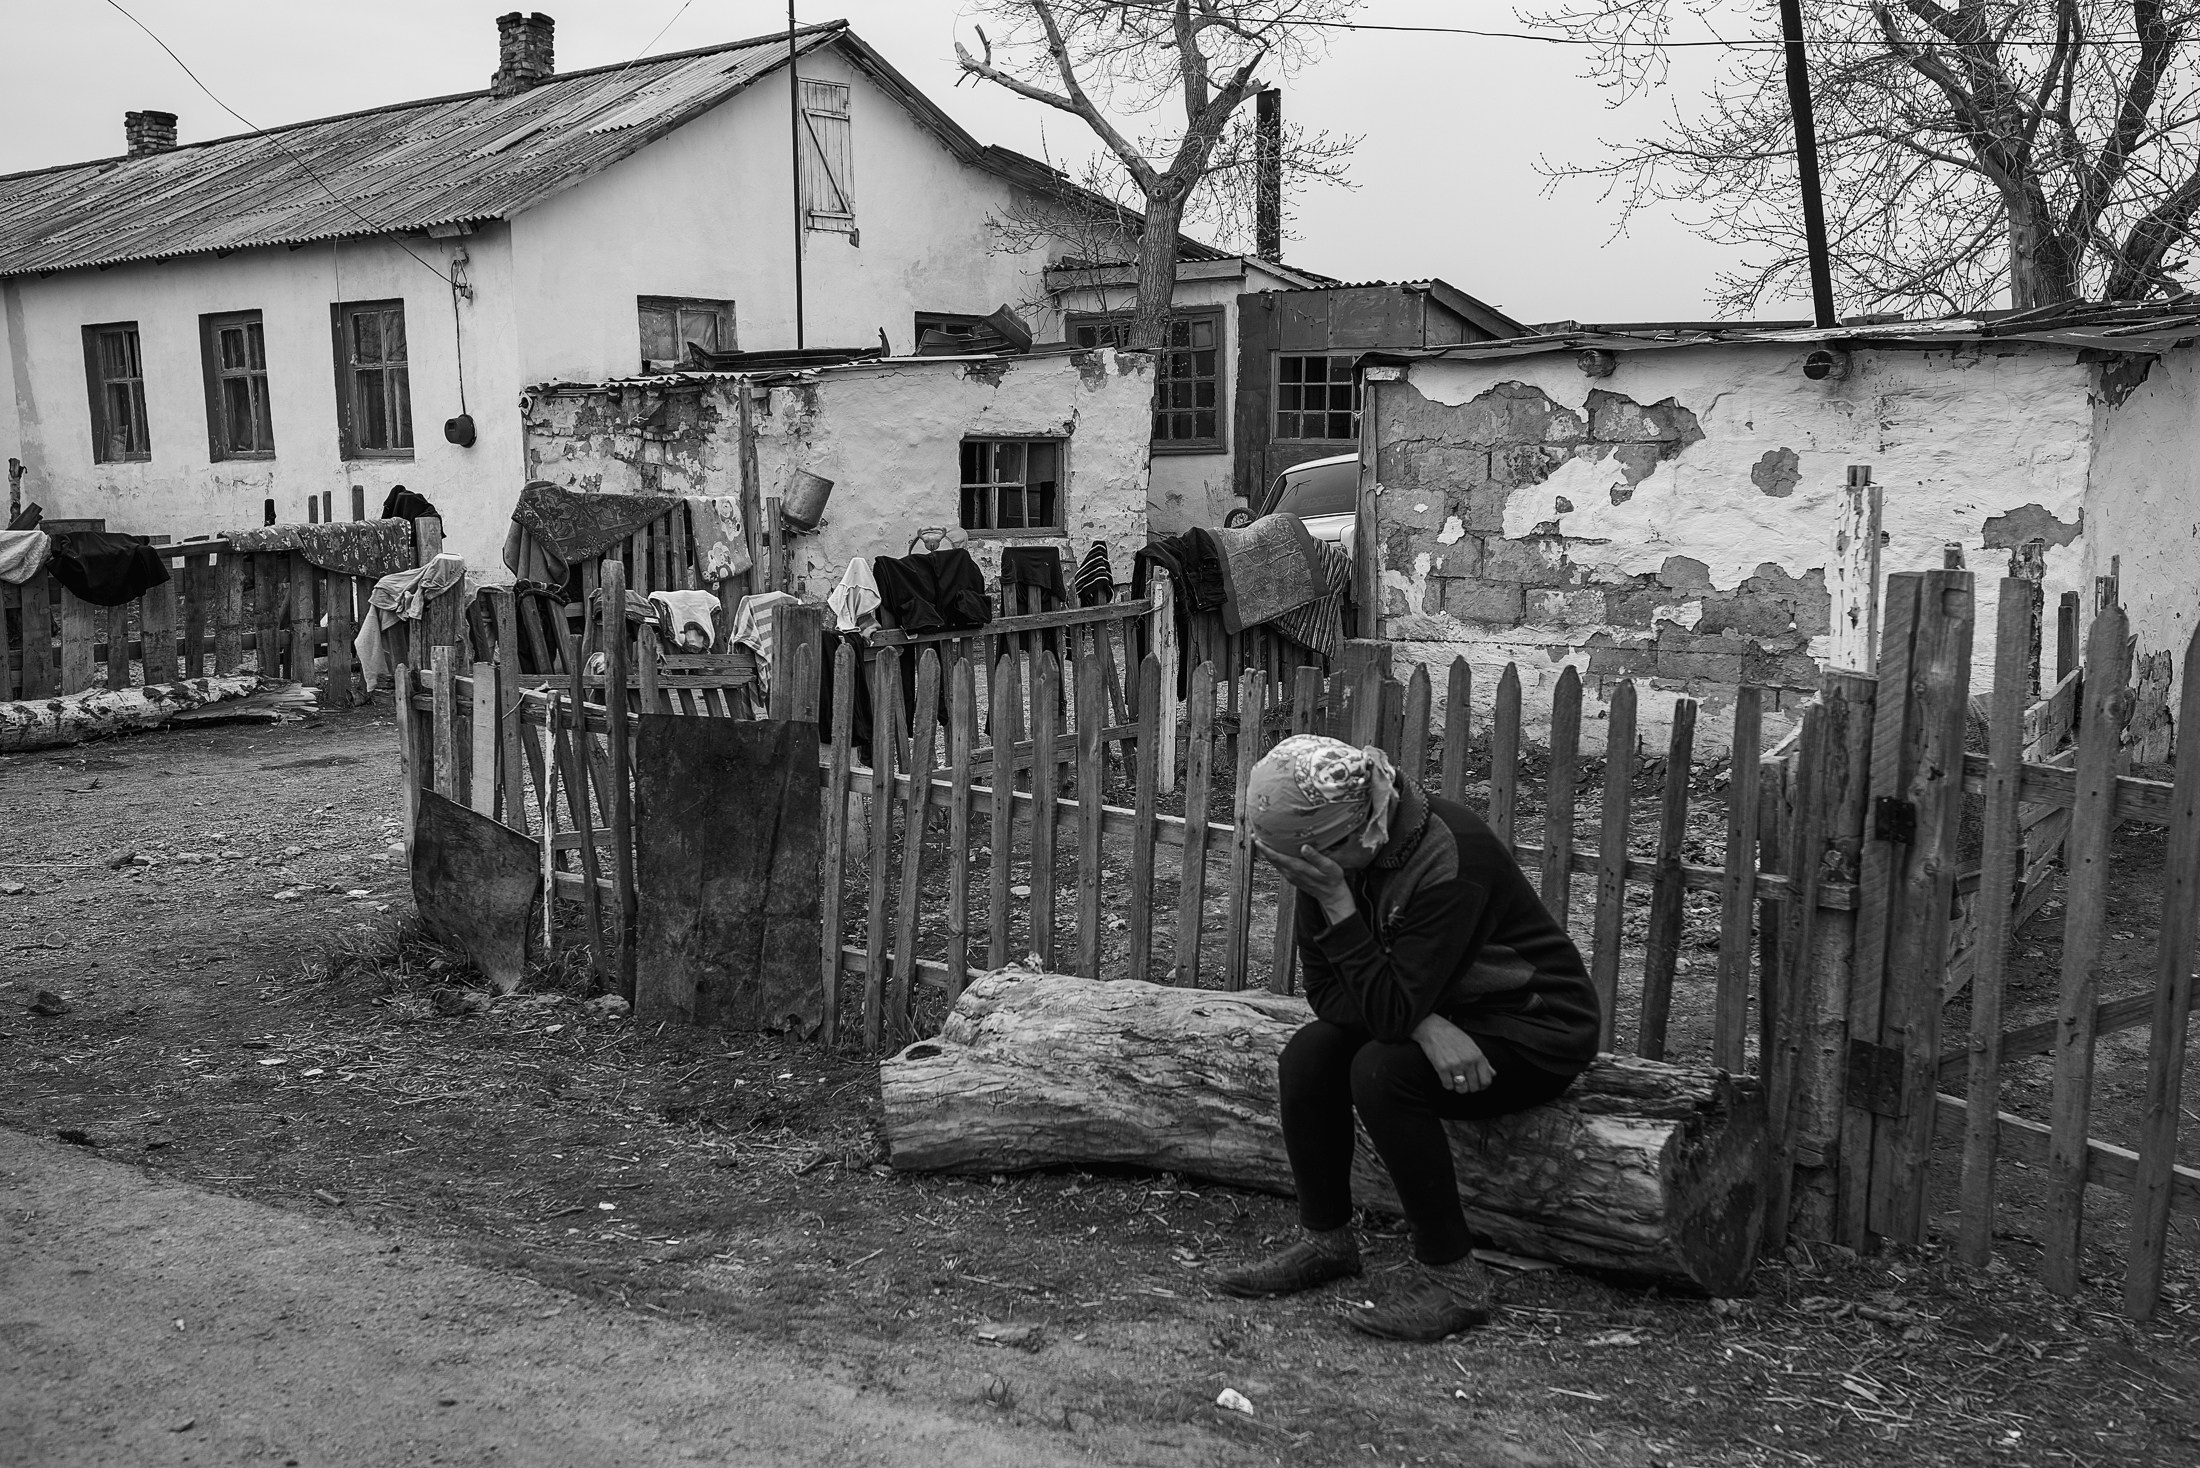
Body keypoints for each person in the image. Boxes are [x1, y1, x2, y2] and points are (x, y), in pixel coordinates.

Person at [1215, 734, 1600, 1341]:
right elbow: (1327, 993)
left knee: (1382, 1070)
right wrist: (1425, 1024)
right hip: (1439, 1010)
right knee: (1309, 1055)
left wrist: (1340, 906)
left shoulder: (1451, 856)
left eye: (1310, 861)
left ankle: (1456, 1281)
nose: (1304, 874)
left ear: (1353, 829)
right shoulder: (1335, 855)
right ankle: (1327, 1242)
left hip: (1532, 1026)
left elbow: (1387, 1011)